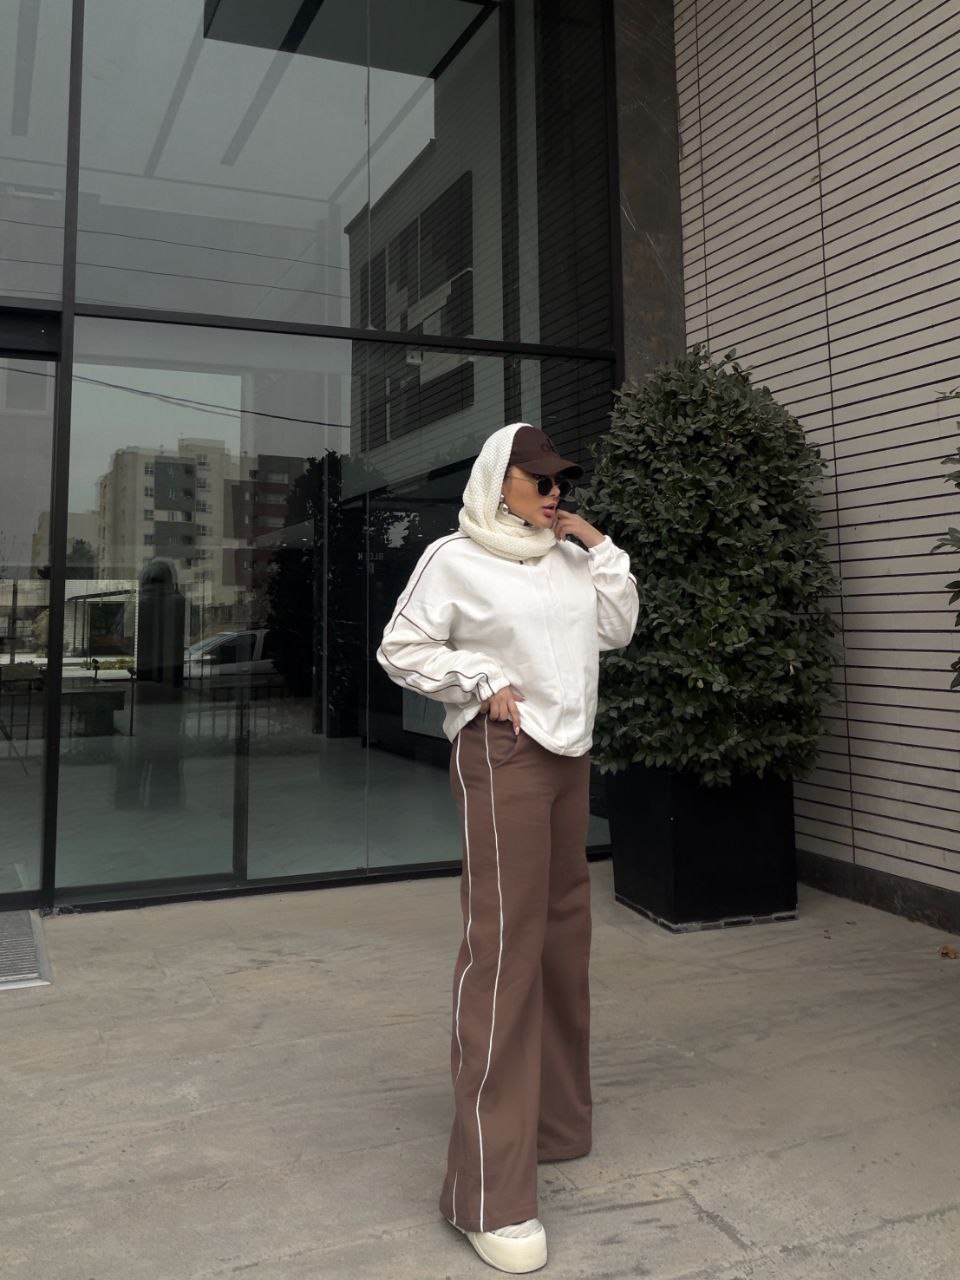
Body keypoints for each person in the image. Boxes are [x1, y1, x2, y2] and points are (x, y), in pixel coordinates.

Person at [377, 423, 639, 1274]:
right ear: (500, 482)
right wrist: (479, 677)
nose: (556, 495)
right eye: (541, 483)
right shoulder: (454, 557)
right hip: (504, 755)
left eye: (562, 483)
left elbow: (617, 629)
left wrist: (597, 544)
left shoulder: (565, 557)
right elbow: (401, 647)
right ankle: (486, 1193)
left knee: (564, 939)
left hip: (570, 755)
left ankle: (553, 1126)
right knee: (504, 952)